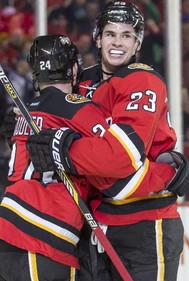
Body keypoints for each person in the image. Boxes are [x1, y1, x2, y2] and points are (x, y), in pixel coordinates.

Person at [26, 2, 189, 281]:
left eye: (126, 35)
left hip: (145, 224)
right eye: (110, 34)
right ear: (97, 37)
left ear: (138, 42)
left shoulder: (142, 80)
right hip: (93, 225)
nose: (117, 42)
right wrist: (22, 119)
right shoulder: (81, 81)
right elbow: (48, 113)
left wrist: (64, 150)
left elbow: (120, 158)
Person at [0, 34, 110, 280]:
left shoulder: (23, 112)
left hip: (8, 232)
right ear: (73, 69)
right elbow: (112, 157)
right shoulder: (79, 108)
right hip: (45, 233)